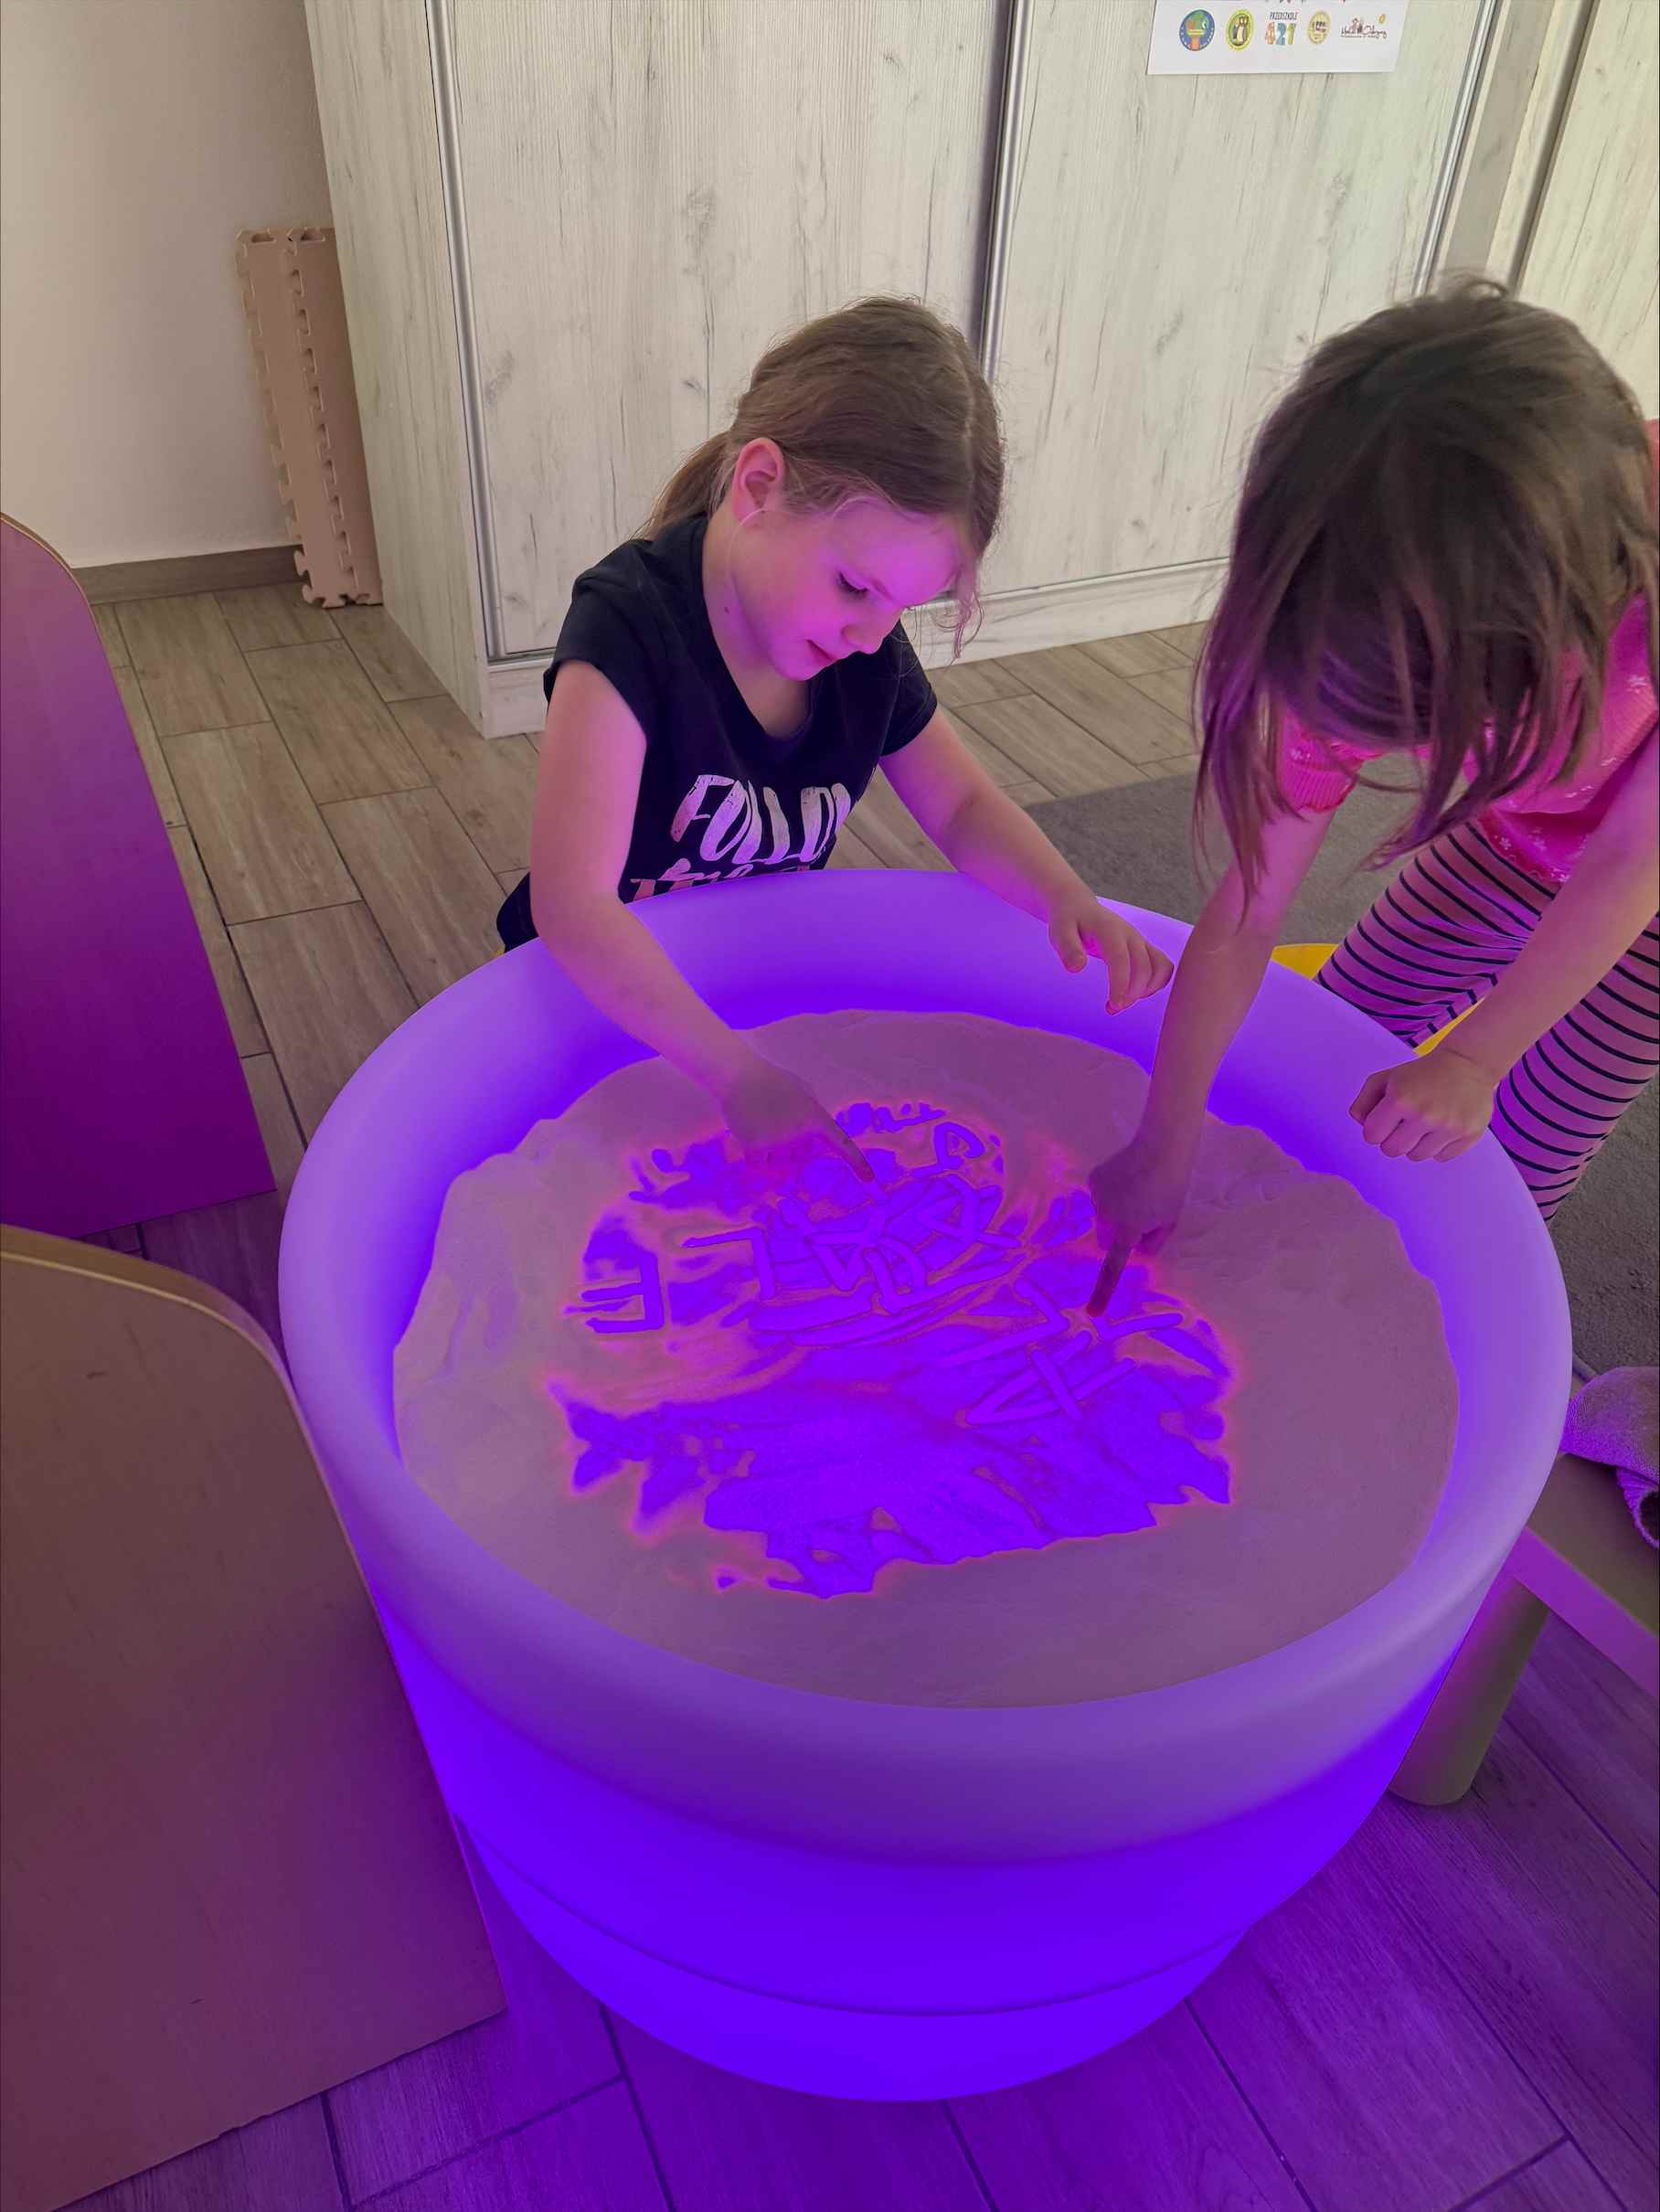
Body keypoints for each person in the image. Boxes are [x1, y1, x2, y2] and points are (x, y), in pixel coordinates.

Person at [499, 297, 1170, 1179]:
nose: (871, 631)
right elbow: (575, 907)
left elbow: (962, 805)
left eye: (904, 605)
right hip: (596, 1000)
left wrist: (1066, 897)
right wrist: (737, 1075)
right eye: (855, 587)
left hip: (751, 982)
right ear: (758, 486)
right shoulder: (628, 631)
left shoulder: (863, 652)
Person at [1089, 280, 1658, 1312]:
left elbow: (1628, 861)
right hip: (1518, 828)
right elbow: (1245, 915)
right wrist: (1161, 1144)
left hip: (1644, 873)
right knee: (1334, 1038)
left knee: (1516, 1144)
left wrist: (1479, 1056)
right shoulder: (1344, 594)